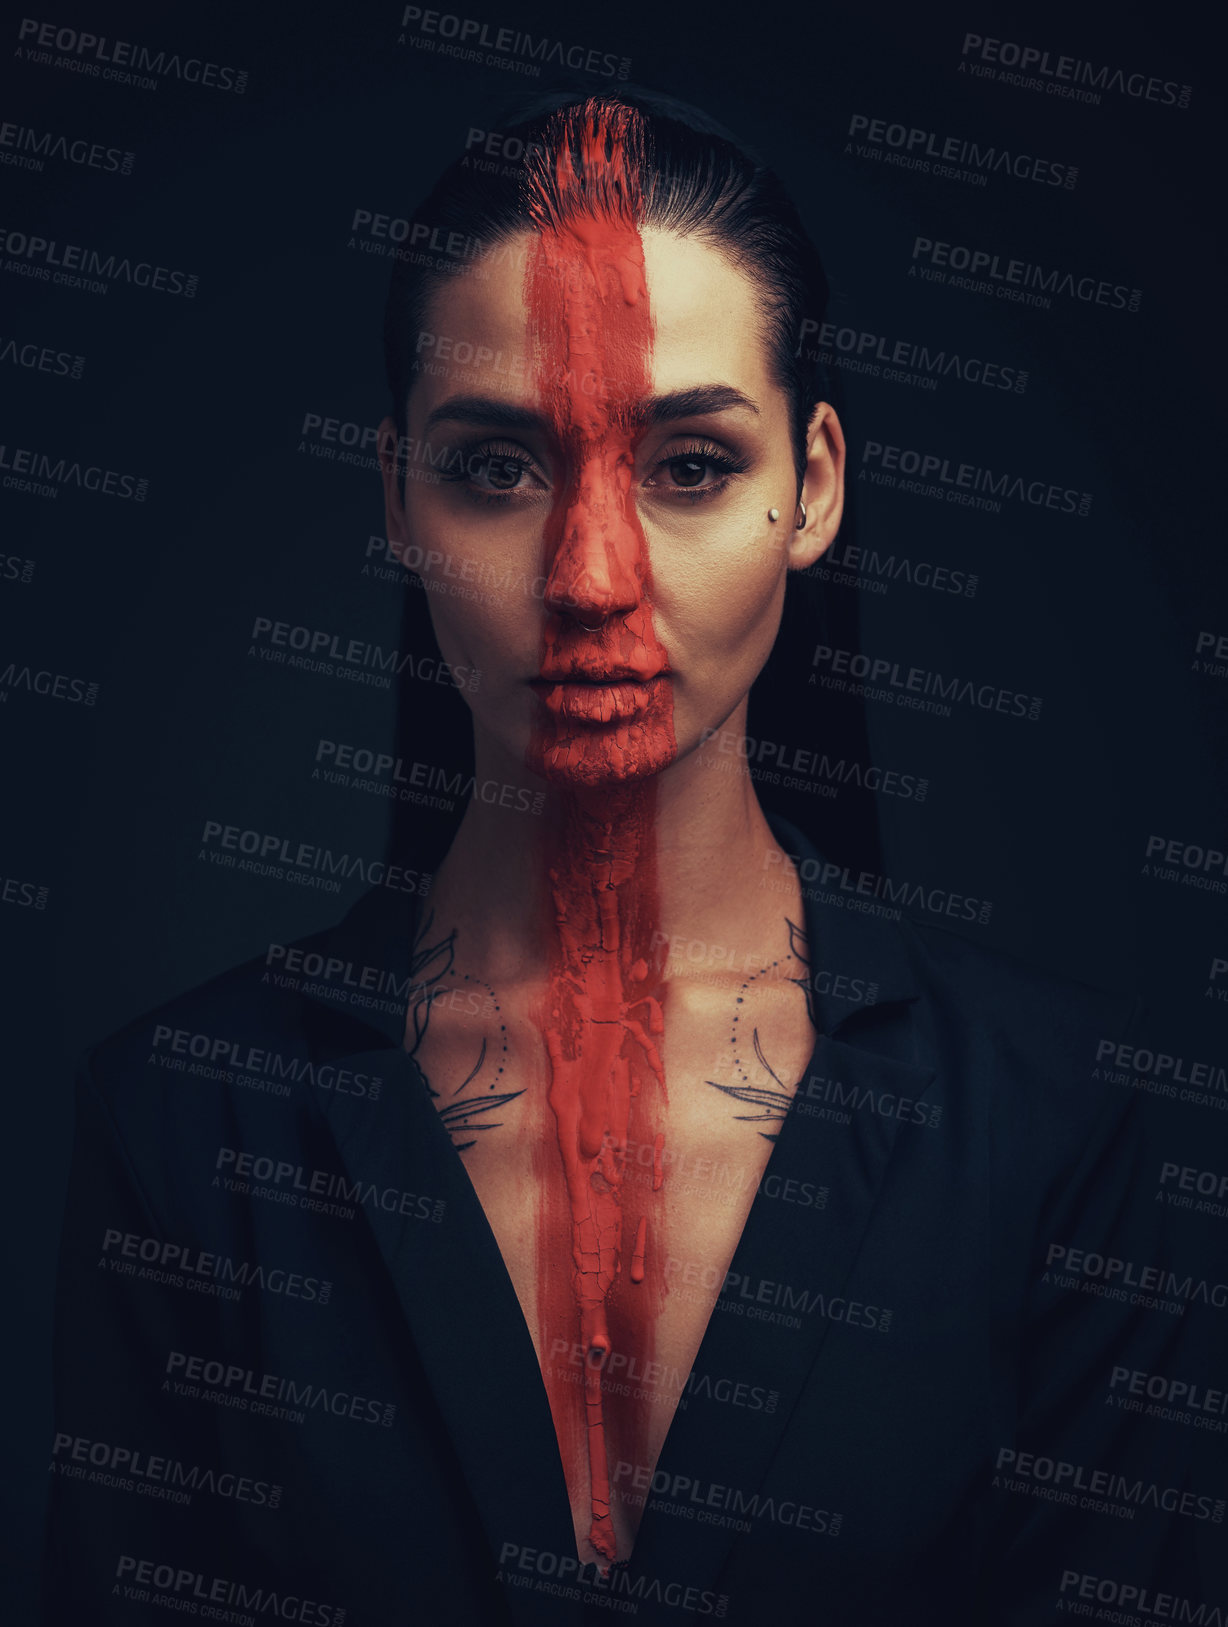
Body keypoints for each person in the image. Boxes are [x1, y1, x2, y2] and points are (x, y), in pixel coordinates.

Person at [43, 90, 1216, 1626]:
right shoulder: (187, 1127)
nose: (592, 580)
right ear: (395, 490)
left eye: (689, 466)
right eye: (496, 467)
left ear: (820, 485)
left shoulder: (1052, 1126)